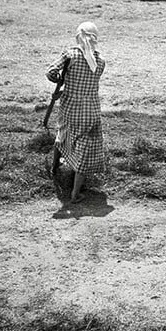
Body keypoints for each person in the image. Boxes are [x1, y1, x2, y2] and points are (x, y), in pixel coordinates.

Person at [47, 21, 106, 204]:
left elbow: (51, 71)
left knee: (63, 134)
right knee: (86, 147)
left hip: (70, 107)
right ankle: (75, 193)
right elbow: (86, 87)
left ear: (78, 36)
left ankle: (55, 168)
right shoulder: (101, 62)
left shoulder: (70, 54)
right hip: (91, 110)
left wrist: (57, 78)